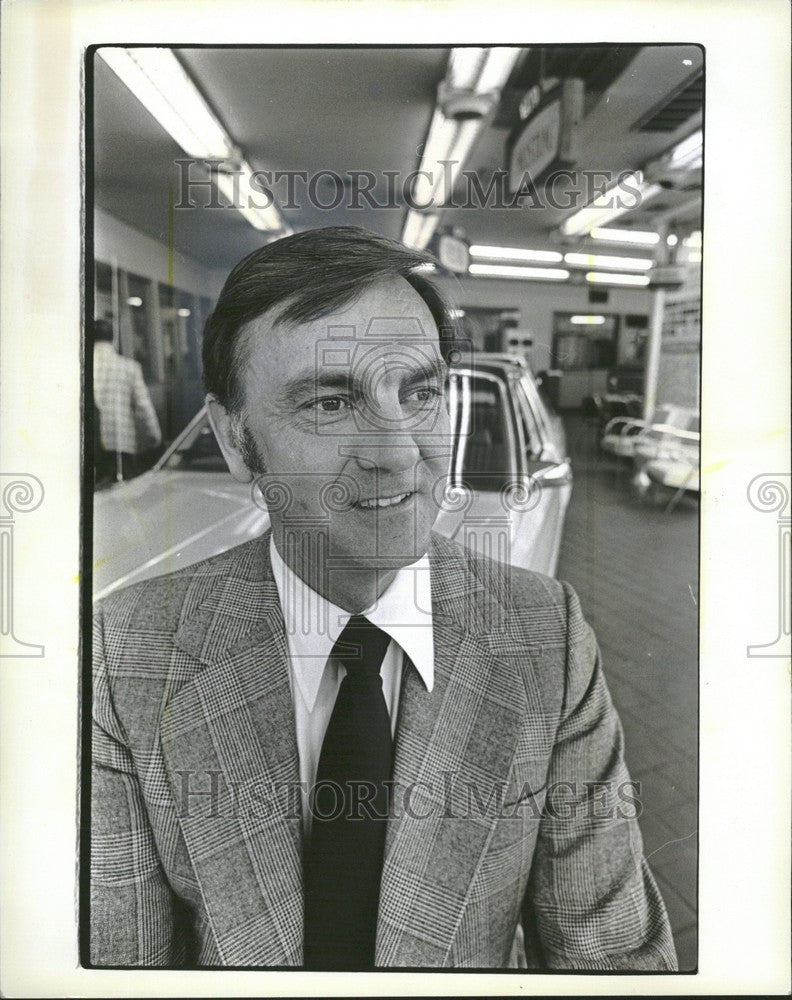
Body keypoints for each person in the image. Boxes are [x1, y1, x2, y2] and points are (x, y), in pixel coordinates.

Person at [90, 226, 677, 970]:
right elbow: (116, 972)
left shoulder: (545, 639)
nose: (400, 451)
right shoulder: (126, 656)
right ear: (235, 439)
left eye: (421, 392)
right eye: (331, 403)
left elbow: (613, 958)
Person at [92, 318, 162, 485]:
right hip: (121, 443)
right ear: (113, 339)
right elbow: (143, 406)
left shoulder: (78, 364)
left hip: (90, 447)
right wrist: (154, 435)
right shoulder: (129, 367)